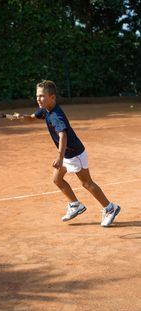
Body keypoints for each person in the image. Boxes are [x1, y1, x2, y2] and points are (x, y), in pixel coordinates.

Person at [24, 80, 121, 227]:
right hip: (67, 154)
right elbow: (32, 118)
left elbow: (63, 135)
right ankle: (75, 205)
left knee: (86, 183)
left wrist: (60, 157)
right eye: (37, 96)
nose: (38, 99)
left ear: (52, 97)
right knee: (57, 179)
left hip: (74, 154)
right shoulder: (45, 109)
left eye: (42, 96)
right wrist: (18, 117)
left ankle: (110, 208)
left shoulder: (56, 115)